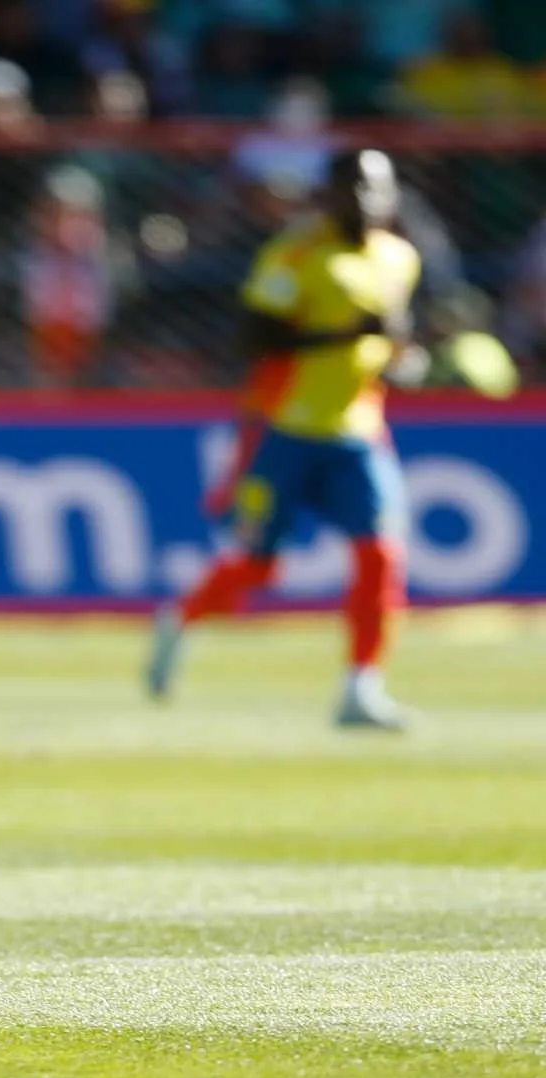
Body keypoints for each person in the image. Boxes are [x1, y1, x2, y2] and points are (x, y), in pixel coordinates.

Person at [148, 149, 422, 730]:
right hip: (286, 429)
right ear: (330, 194)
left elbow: (391, 343)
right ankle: (181, 619)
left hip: (359, 431)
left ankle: (360, 688)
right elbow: (254, 340)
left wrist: (404, 361)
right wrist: (343, 334)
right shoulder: (295, 255)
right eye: (354, 188)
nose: (367, 201)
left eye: (377, 190)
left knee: (380, 555)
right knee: (256, 568)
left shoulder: (400, 258)